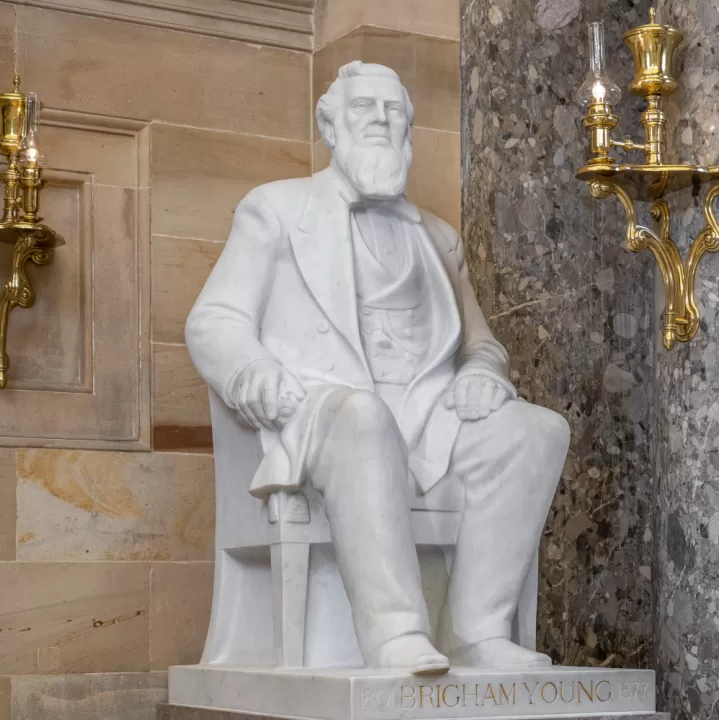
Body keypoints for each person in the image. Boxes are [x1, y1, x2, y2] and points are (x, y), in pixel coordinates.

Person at [186, 61, 570, 676]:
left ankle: (476, 630)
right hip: (324, 414)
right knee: (364, 417)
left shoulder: (438, 238)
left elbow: (482, 345)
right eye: (366, 109)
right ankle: (394, 633)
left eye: (394, 112)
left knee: (537, 430)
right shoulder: (277, 209)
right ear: (330, 125)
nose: (382, 121)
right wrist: (251, 371)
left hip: (428, 417)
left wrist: (482, 375)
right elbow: (215, 321)